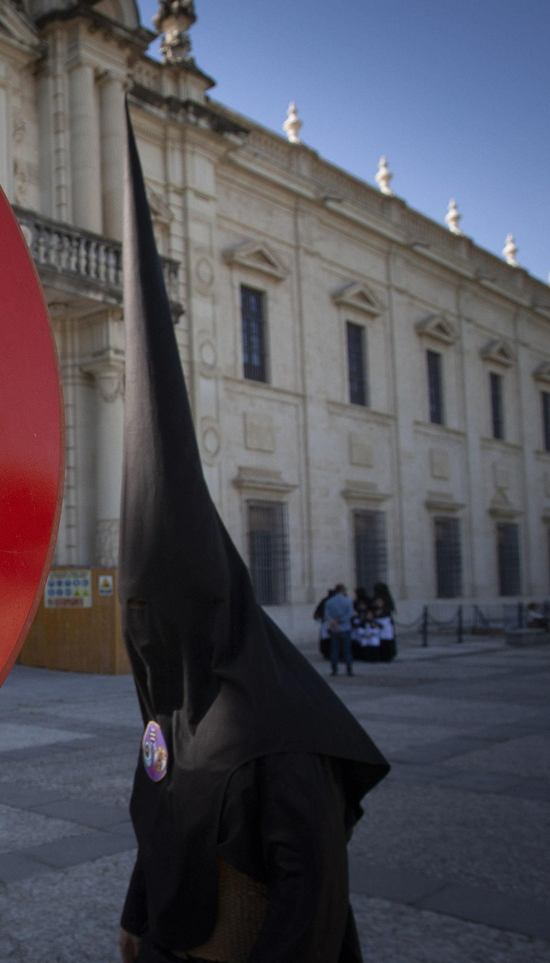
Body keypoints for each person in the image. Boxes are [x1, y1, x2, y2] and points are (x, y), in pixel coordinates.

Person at [115, 118, 388, 963]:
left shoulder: (281, 731)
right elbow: (162, 826)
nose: (146, 634)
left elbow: (308, 901)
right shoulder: (172, 711)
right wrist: (134, 917)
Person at [323, 585, 355, 676]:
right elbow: (350, 614)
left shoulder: (329, 602)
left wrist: (335, 623)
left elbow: (327, 615)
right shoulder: (348, 601)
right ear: (343, 590)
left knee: (334, 650)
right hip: (345, 628)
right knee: (347, 650)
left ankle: (334, 669)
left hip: (334, 629)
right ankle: (349, 670)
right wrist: (340, 621)